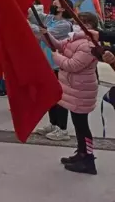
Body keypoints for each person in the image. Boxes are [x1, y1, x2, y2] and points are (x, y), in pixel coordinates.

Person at [41, 12, 100, 175]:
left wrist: (56, 58)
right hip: (74, 90)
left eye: (78, 22)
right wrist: (45, 35)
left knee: (82, 126)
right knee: (78, 125)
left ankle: (88, 160)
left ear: (88, 26)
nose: (74, 24)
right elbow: (60, 45)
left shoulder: (90, 45)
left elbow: (73, 65)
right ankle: (81, 153)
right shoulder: (75, 38)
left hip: (82, 90)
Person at [30, 0, 74, 141]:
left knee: (60, 98)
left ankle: (62, 129)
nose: (52, 6)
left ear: (62, 9)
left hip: (58, 66)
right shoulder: (50, 18)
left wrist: (27, 25)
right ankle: (53, 123)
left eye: (55, 5)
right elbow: (32, 14)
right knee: (50, 96)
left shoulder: (65, 25)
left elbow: (45, 34)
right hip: (47, 64)